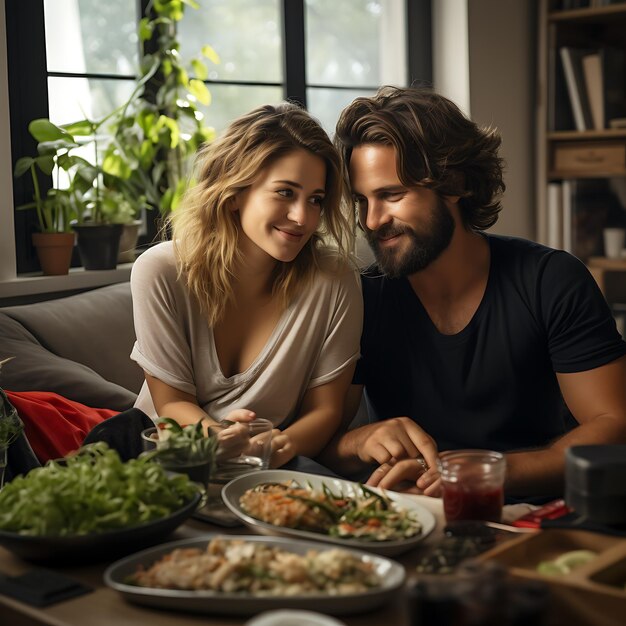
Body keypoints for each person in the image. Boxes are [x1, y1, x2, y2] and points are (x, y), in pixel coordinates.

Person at [320, 86, 626, 500]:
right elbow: (325, 441)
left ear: (455, 182)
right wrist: (362, 440)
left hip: (535, 521)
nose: (372, 221)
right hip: (412, 519)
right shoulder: (362, 298)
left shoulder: (550, 280)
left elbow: (614, 423)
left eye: (392, 195)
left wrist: (484, 473)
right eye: (361, 200)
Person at [129, 102, 363, 469]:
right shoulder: (159, 271)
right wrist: (219, 441)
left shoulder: (333, 280)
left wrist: (278, 446)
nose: (303, 217)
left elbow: (326, 410)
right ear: (235, 191)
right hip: (166, 466)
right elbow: (172, 404)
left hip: (266, 469)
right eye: (285, 192)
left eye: (315, 200)